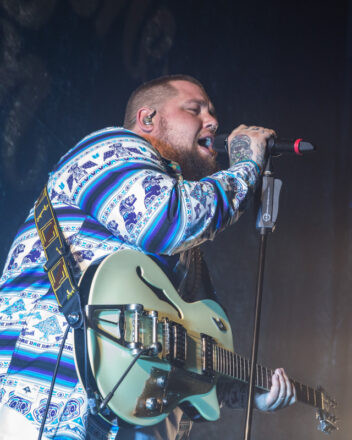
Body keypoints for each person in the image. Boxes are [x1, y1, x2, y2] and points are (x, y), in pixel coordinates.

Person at [0, 75, 295, 439]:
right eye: (194, 109)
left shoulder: (182, 247)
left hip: (115, 413)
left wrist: (251, 392)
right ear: (148, 119)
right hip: (51, 395)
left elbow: (191, 357)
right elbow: (163, 221)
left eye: (212, 113)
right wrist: (247, 167)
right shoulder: (108, 149)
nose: (214, 122)